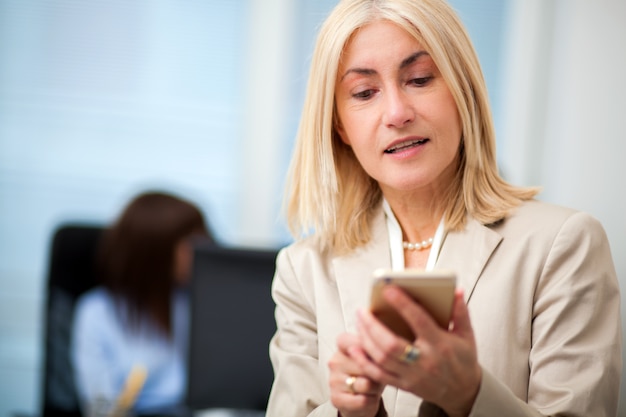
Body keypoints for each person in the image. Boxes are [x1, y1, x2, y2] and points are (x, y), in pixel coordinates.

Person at [265, 0, 622, 416]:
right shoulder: (304, 270)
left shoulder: (563, 244)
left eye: (419, 79)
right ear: (339, 126)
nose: (397, 113)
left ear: (463, 91)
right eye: (364, 93)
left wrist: (469, 395)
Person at [71, 191, 212, 416]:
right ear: (153, 250)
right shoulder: (97, 313)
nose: (201, 250)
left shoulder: (200, 305)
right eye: (189, 242)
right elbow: (101, 408)